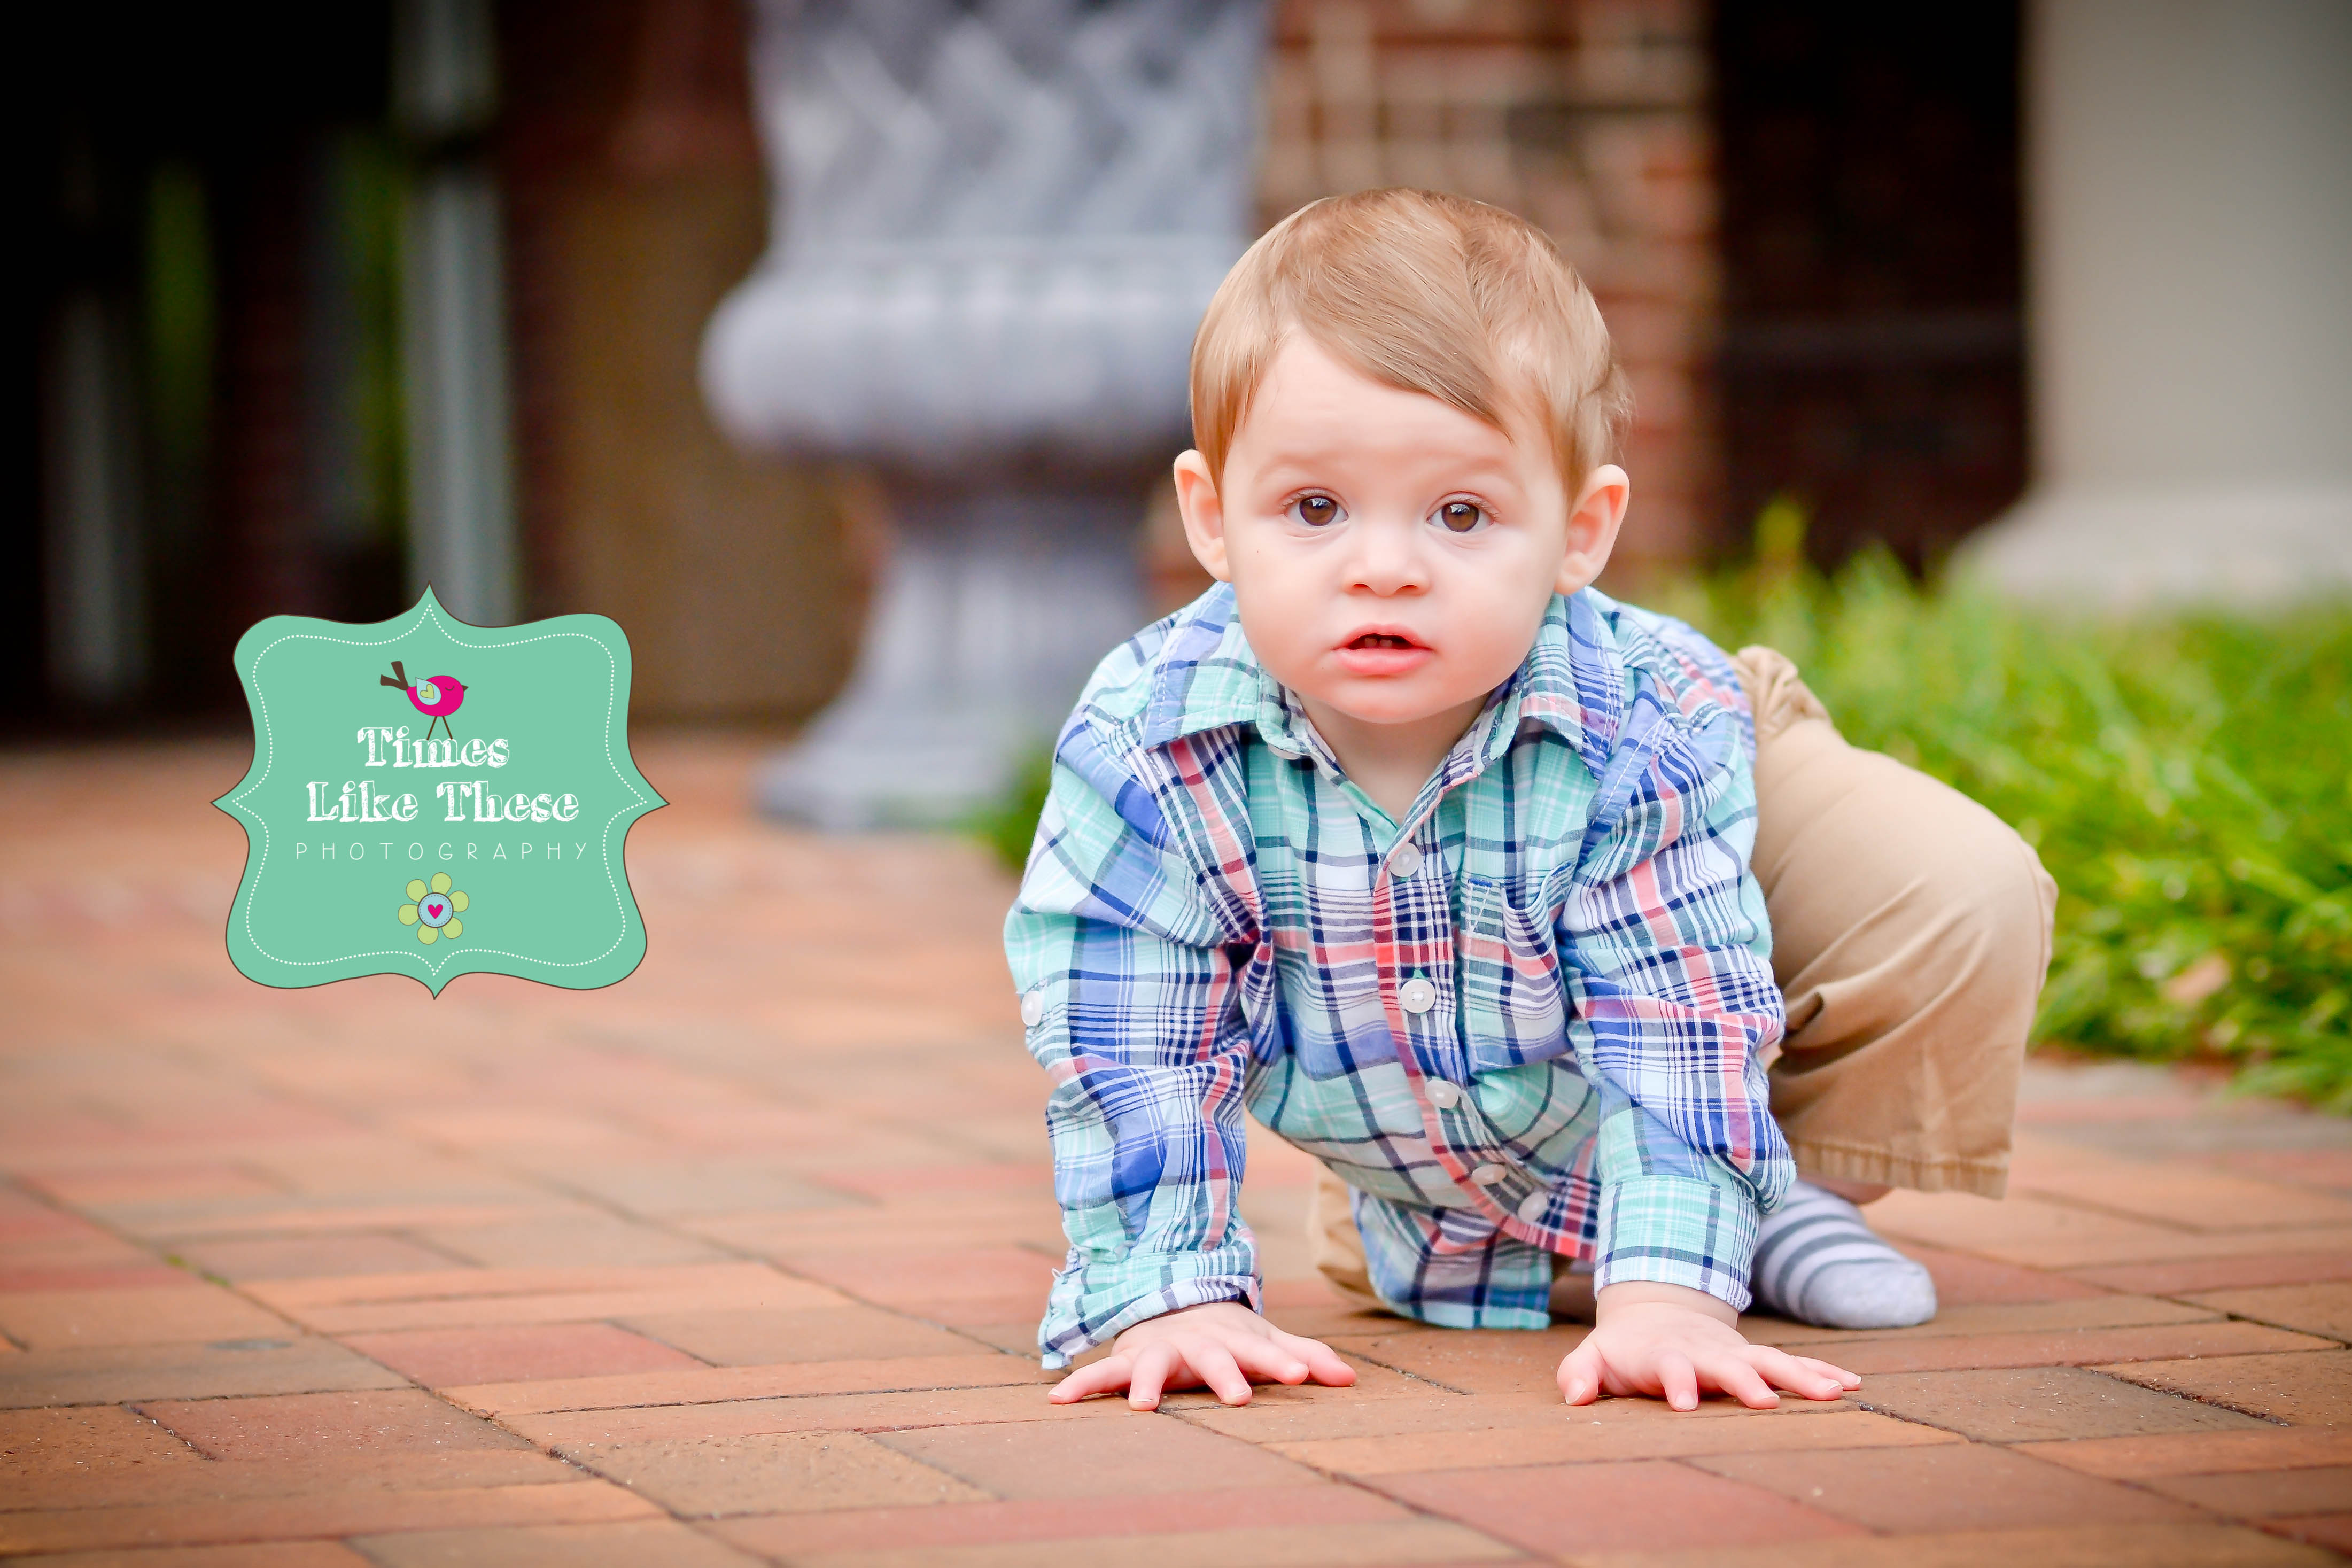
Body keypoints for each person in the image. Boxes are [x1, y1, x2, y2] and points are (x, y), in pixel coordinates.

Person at [1004, 188, 2056, 1414]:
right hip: (1414, 1089)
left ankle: (1780, 1201)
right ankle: (1446, 1221)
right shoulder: (1148, 739)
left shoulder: (1641, 727)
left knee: (1956, 886)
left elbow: (1670, 1010)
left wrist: (1668, 1300)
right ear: (1211, 518)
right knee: (1395, 1203)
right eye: (1313, 509)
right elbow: (1129, 1037)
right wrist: (1168, 1297)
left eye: (1459, 513)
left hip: (1688, 772)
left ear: (1578, 531)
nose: (1383, 566)